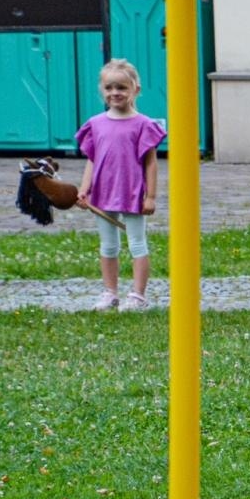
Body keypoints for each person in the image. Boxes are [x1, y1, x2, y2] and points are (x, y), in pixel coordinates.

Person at [75, 58, 163, 312]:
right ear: (102, 90)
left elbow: (151, 164)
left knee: (137, 243)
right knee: (108, 245)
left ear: (136, 89)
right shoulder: (96, 124)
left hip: (133, 194)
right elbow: (93, 160)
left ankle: (138, 295)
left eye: (122, 87)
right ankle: (110, 292)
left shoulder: (144, 125)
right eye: (110, 87)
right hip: (102, 194)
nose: (115, 93)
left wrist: (151, 196)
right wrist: (85, 189)